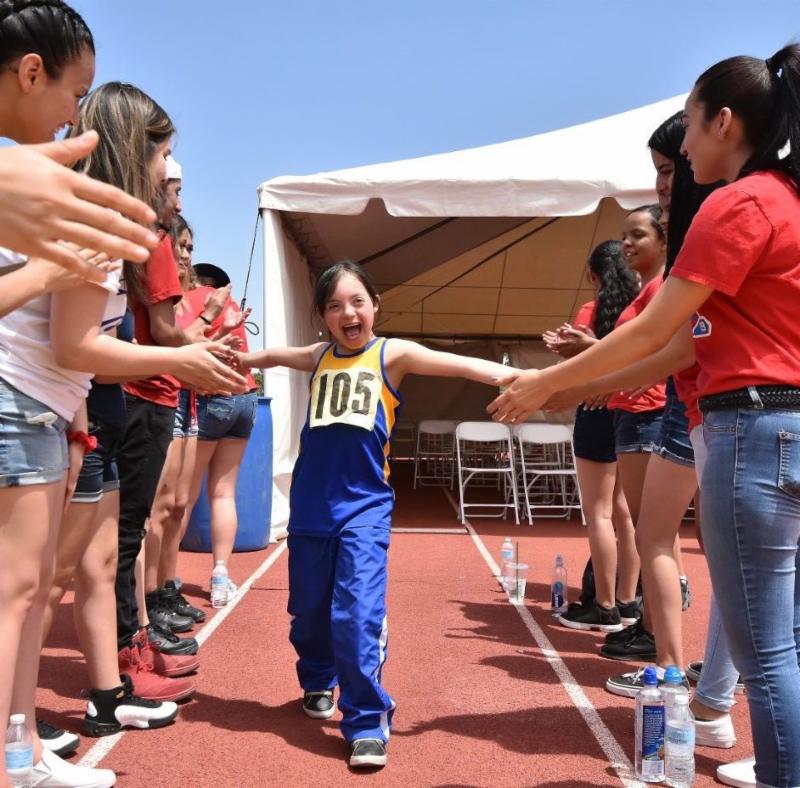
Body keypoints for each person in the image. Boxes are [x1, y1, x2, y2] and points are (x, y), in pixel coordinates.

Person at [489, 45, 800, 788]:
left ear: (724, 122)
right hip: (782, 423)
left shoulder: (740, 203)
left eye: (689, 126)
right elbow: (685, 349)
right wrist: (575, 390)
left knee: (768, 655)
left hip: (751, 432)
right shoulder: (788, 200)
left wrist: (548, 382)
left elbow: (656, 328)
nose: (683, 148)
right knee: (782, 637)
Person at [237, 260, 517, 770]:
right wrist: (239, 357)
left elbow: (458, 364)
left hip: (364, 507)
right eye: (334, 306)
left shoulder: (392, 354)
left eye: (357, 302)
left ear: (375, 306)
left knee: (356, 613)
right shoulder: (319, 355)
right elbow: (274, 354)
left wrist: (519, 376)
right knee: (307, 610)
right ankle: (317, 677)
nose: (348, 313)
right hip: (310, 506)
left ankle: (366, 720)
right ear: (322, 316)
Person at [545, 241, 639, 633]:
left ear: (591, 274)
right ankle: (628, 601)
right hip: (630, 409)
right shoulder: (639, 309)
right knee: (625, 513)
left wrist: (563, 352)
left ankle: (604, 606)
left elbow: (581, 364)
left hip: (597, 411)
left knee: (599, 513)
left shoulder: (591, 311)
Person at [180, 261, 256, 605]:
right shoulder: (231, 303)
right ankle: (221, 576)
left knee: (183, 496)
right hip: (246, 398)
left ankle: (163, 577)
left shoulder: (191, 301)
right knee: (223, 494)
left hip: (211, 399)